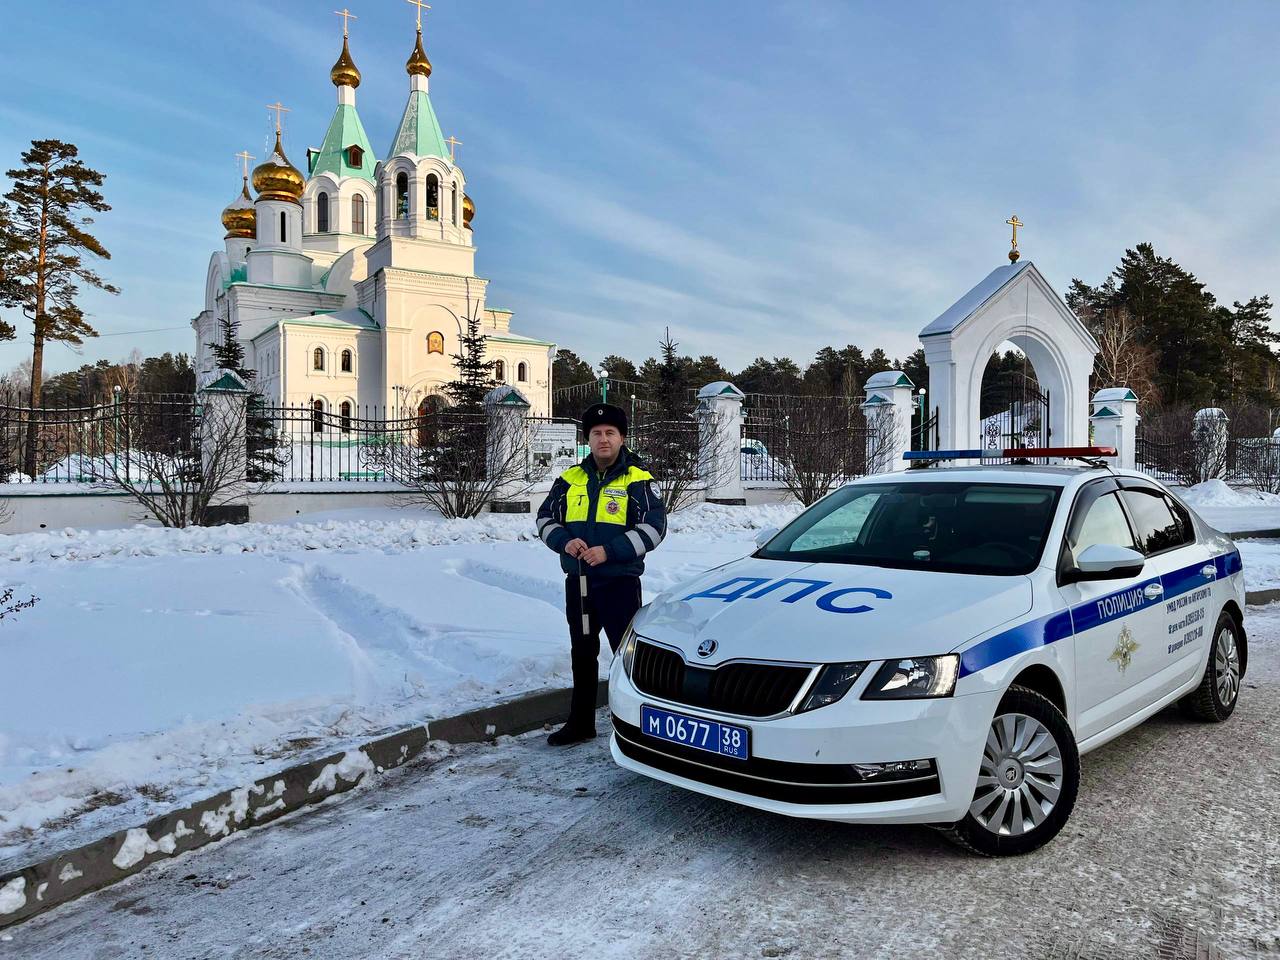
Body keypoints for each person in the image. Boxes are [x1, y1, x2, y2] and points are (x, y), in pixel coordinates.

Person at [536, 403, 666, 745]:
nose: (603, 439)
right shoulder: (569, 479)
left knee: (627, 656)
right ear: (588, 439)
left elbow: (654, 529)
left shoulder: (639, 479)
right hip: (578, 583)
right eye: (596, 434)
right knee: (582, 651)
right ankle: (581, 723)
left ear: (622, 438)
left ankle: (638, 727)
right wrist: (565, 542)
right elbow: (545, 519)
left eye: (610, 433)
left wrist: (610, 551)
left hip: (619, 583)